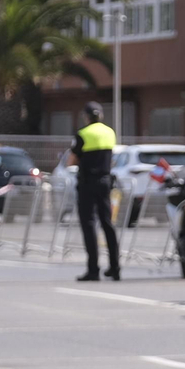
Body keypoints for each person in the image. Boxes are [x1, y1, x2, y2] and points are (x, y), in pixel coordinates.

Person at [62, 102, 120, 282]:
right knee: (107, 224)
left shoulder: (83, 134)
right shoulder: (110, 132)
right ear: (100, 115)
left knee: (89, 224)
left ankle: (93, 270)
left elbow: (71, 161)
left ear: (86, 117)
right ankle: (115, 268)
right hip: (105, 182)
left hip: (88, 183)